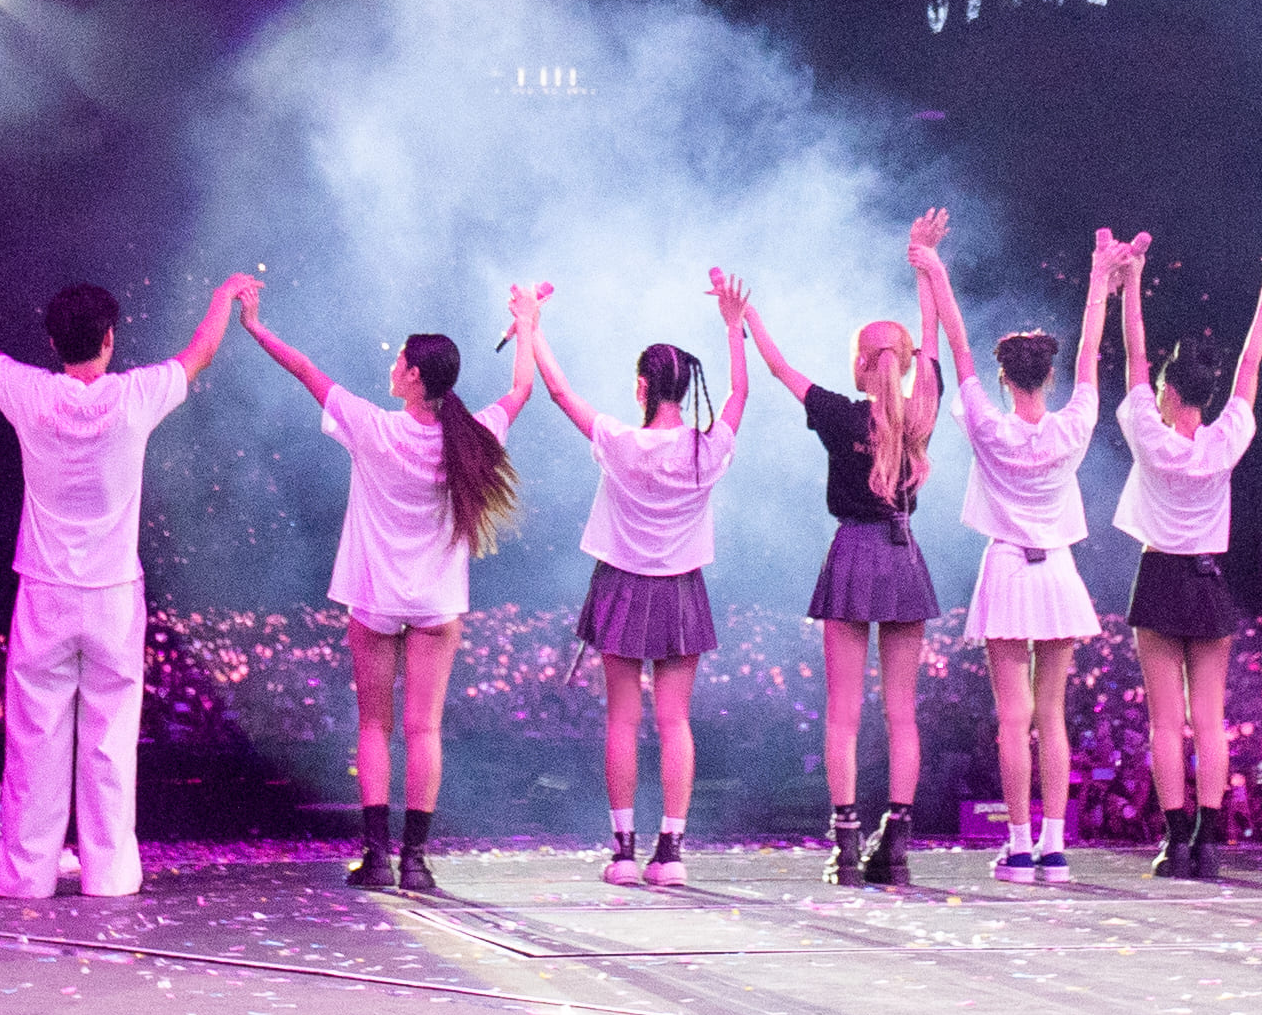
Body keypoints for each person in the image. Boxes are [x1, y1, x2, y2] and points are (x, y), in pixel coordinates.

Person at [0, 232, 251, 901]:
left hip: (47, 591)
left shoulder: (30, 394)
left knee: (35, 738)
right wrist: (224, 294)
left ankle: (26, 874)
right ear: (108, 338)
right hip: (111, 594)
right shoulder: (135, 396)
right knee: (109, 739)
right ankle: (110, 873)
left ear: (53, 342)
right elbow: (200, 354)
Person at [240, 276, 528, 894]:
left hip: (375, 599)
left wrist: (256, 326)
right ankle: (416, 861)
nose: (393, 365)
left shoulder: (372, 427)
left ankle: (375, 858)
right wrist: (527, 323)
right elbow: (522, 388)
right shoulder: (472, 437)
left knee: (375, 727)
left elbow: (305, 369)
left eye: (401, 359)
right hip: (437, 605)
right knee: (424, 730)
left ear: (417, 377)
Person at [512, 267, 763, 887]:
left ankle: (623, 852)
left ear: (644, 385)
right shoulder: (708, 450)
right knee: (674, 721)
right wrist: (735, 327)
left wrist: (531, 327)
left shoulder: (622, 442)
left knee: (621, 719)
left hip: (623, 586)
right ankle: (671, 852)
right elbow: (739, 396)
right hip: (680, 590)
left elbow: (560, 391)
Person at [736, 236, 941, 886]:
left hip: (854, 552)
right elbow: (931, 339)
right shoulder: (923, 411)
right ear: (906, 363)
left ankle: (847, 843)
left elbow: (778, 368)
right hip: (904, 554)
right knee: (902, 712)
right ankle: (898, 845)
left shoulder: (837, 412)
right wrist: (927, 270)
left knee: (843, 713)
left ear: (860, 362)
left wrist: (745, 316)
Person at [928, 223, 1119, 882]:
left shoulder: (986, 420)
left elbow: (956, 344)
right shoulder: (1074, 423)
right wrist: (1101, 278)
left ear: (1006, 376)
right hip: (1057, 569)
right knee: (1052, 716)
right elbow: (1093, 349)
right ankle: (1055, 844)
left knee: (1014, 719)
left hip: (1009, 567)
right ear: (1049, 374)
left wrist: (933, 267)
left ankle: (1017, 842)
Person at [1108, 239, 1262, 881]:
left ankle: (1174, 841)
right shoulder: (1225, 441)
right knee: (1209, 721)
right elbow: (1251, 366)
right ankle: (1206, 843)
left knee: (1163, 723)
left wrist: (1135, 281)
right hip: (1206, 578)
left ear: (1171, 394)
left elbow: (1134, 355)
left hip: (1160, 576)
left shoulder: (1151, 436)